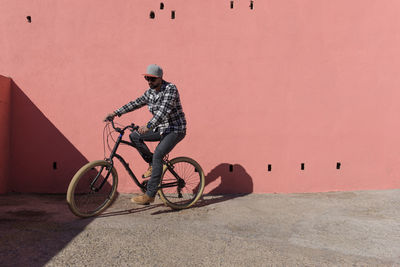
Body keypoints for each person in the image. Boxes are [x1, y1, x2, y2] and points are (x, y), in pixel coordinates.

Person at [105, 64, 187, 204]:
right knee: (134, 136)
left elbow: (163, 112)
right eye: (147, 79)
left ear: (160, 78)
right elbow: (136, 103)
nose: (149, 82)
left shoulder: (170, 89)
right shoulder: (150, 93)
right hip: (160, 128)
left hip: (175, 129)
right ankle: (152, 164)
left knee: (158, 154)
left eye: (152, 79)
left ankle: (150, 195)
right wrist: (116, 113)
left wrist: (148, 126)